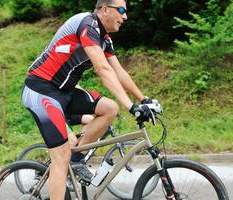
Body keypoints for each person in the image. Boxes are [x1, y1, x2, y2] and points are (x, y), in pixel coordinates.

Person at [22, 0, 154, 199]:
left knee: (110, 108)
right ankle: (68, 160)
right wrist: (131, 107)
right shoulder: (88, 23)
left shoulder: (104, 38)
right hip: (41, 90)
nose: (125, 17)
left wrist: (144, 99)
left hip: (64, 91)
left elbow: (119, 71)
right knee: (61, 157)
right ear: (104, 10)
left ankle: (76, 160)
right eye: (121, 11)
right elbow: (102, 69)